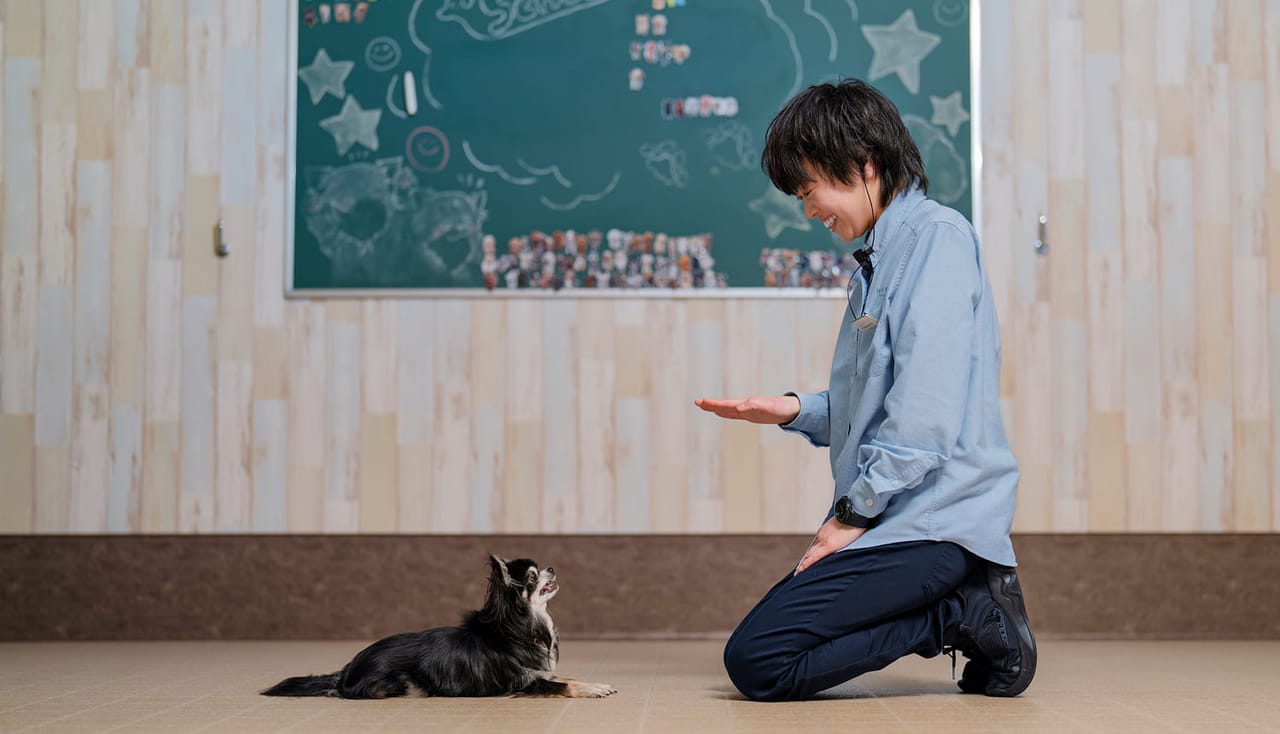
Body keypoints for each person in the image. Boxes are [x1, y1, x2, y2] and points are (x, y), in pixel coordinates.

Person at [695, 79, 1036, 702]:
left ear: (863, 165)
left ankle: (961, 612)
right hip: (896, 517)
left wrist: (852, 515)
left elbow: (924, 416)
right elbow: (879, 405)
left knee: (758, 661)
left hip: (937, 523)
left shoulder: (936, 239)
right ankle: (956, 607)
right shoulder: (877, 261)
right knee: (764, 645)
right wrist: (794, 410)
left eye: (809, 191)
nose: (809, 211)